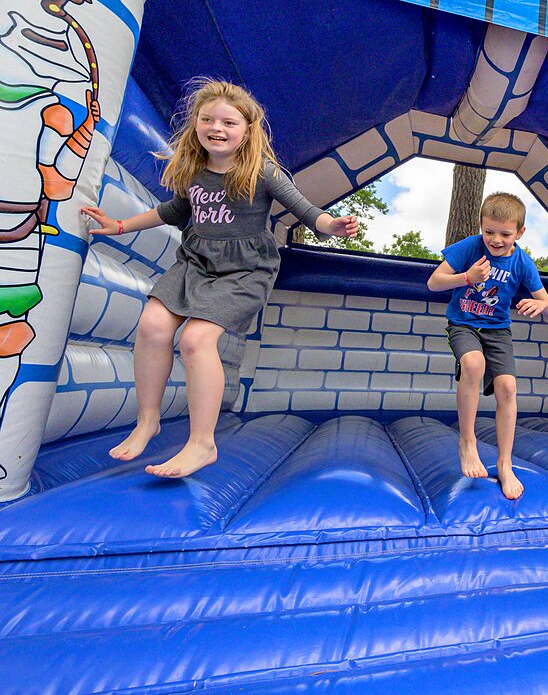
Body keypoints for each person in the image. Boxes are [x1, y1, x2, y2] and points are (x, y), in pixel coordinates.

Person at [81, 79, 358, 478]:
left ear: (247, 130)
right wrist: (121, 225)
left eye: (229, 122)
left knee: (196, 339)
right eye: (208, 119)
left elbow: (306, 210)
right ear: (195, 124)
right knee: (153, 326)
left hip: (245, 270)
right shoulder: (194, 170)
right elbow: (173, 211)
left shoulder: (262, 172)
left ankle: (202, 444)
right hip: (196, 261)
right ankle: (147, 420)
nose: (217, 127)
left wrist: (332, 225)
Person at [427, 192, 548, 500]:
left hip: (498, 330)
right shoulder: (471, 248)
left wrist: (541, 307)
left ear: (520, 233)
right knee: (473, 364)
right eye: (489, 232)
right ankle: (467, 441)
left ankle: (504, 463)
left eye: (505, 234)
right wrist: (466, 277)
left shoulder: (522, 262)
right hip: (464, 324)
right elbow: (434, 282)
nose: (495, 240)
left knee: (508, 387)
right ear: (481, 227)